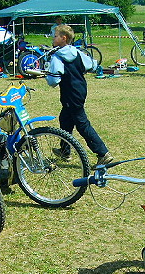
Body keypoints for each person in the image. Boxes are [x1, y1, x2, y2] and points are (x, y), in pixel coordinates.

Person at [46, 24, 113, 167]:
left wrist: (47, 74)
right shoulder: (76, 52)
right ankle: (65, 151)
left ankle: (103, 153)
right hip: (81, 89)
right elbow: (91, 65)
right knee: (65, 119)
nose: (53, 38)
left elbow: (53, 81)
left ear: (64, 38)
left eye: (56, 36)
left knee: (82, 124)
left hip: (70, 93)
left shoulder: (57, 56)